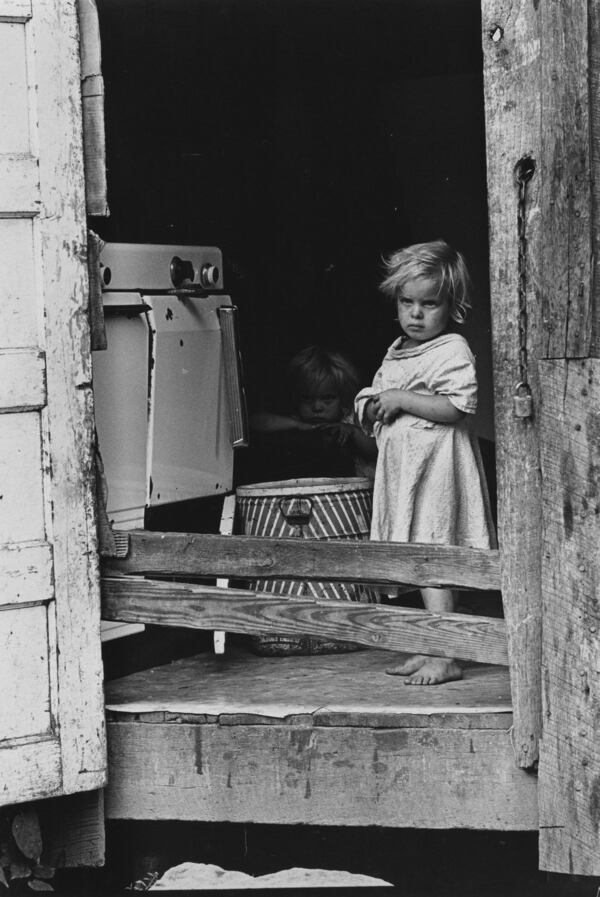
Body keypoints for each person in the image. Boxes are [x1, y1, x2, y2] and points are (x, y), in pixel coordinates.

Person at [355, 239, 496, 685]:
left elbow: (457, 408)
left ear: (451, 305)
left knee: (433, 554)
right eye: (407, 302)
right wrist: (373, 405)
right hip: (404, 473)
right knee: (417, 556)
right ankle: (430, 644)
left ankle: (448, 653)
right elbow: (379, 390)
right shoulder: (397, 349)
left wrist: (401, 399)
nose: (416, 314)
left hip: (436, 472)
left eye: (429, 303)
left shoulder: (452, 349)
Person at [250, 345, 377, 482]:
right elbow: (255, 422)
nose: (317, 407)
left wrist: (353, 432)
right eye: (307, 398)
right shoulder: (301, 420)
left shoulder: (352, 418)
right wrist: (297, 424)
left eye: (327, 398)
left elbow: (377, 450)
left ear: (343, 397)